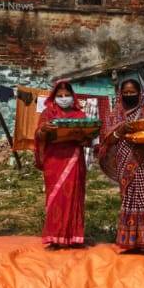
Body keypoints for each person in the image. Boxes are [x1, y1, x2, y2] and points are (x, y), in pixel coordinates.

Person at [98, 78, 144, 253]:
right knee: (129, 198)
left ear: (139, 93)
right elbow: (107, 140)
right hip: (124, 160)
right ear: (120, 94)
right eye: (125, 93)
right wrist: (121, 130)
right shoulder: (114, 116)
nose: (129, 95)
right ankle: (130, 240)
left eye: (132, 92)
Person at [35, 80, 89, 248]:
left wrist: (82, 137)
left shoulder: (80, 115)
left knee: (74, 197)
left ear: (73, 97)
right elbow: (37, 135)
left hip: (73, 159)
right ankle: (54, 237)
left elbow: (88, 138)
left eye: (67, 95)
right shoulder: (47, 114)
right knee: (55, 198)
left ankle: (74, 237)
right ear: (54, 97)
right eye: (60, 96)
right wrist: (44, 130)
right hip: (54, 160)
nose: (64, 98)